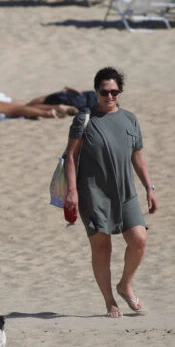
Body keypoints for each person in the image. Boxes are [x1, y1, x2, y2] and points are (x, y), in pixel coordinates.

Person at [63, 67, 158, 319]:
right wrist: (72, 191)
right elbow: (71, 156)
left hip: (125, 191)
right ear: (96, 92)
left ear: (120, 92)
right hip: (94, 193)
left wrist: (149, 187)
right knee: (103, 248)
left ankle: (125, 284)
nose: (110, 96)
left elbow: (138, 155)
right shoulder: (85, 119)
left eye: (115, 91)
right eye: (104, 92)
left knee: (139, 239)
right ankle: (109, 302)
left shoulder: (129, 119)